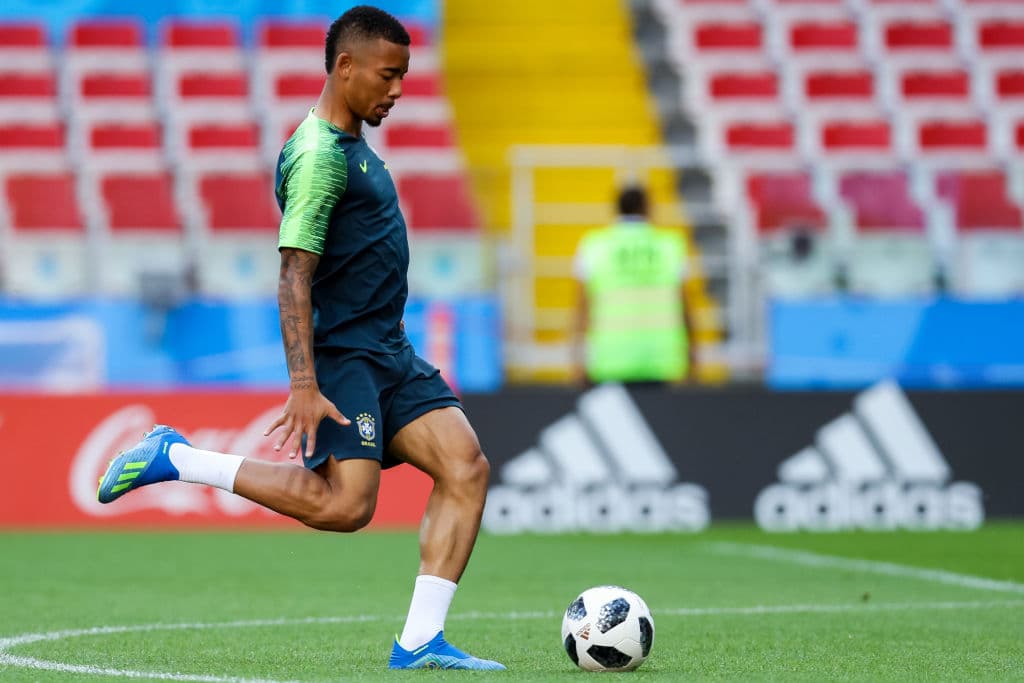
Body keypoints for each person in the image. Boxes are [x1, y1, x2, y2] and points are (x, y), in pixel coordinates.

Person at [97, 6, 504, 672]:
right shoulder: (317, 155)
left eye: (404, 75)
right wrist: (306, 383)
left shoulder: (352, 146)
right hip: (344, 357)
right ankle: (179, 458)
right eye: (388, 74)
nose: (398, 89)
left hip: (389, 351)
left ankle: (420, 641)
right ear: (345, 68)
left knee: (466, 467)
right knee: (346, 506)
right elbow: (292, 272)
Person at [572, 185, 695, 385]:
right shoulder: (669, 246)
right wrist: (693, 358)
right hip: (661, 360)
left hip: (610, 359)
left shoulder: (594, 246)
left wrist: (578, 360)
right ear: (647, 208)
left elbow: (582, 309)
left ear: (616, 208)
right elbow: (685, 307)